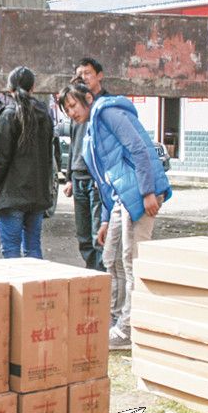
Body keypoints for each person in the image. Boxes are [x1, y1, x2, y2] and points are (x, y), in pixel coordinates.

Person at [58, 81, 172, 350]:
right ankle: (115, 319)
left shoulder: (108, 112)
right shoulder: (90, 130)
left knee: (132, 261)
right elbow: (106, 178)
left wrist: (148, 192)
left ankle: (129, 328)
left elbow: (138, 148)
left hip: (141, 194)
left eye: (73, 105)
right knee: (111, 257)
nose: (71, 113)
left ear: (88, 98)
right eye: (67, 110)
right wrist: (106, 219)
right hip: (122, 198)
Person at [0, 66, 53, 259]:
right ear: (33, 88)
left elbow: (0, 159)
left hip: (12, 197)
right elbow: (48, 157)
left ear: (9, 89)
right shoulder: (45, 115)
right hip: (37, 196)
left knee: (11, 252)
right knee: (33, 249)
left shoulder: (9, 114)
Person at [62, 58, 109, 271]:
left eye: (88, 73)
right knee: (83, 237)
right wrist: (69, 177)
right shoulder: (76, 106)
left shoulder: (105, 104)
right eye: (79, 74)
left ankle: (101, 277)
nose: (83, 77)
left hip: (97, 178)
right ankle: (91, 275)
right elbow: (74, 143)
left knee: (98, 234)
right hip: (78, 176)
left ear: (100, 75)